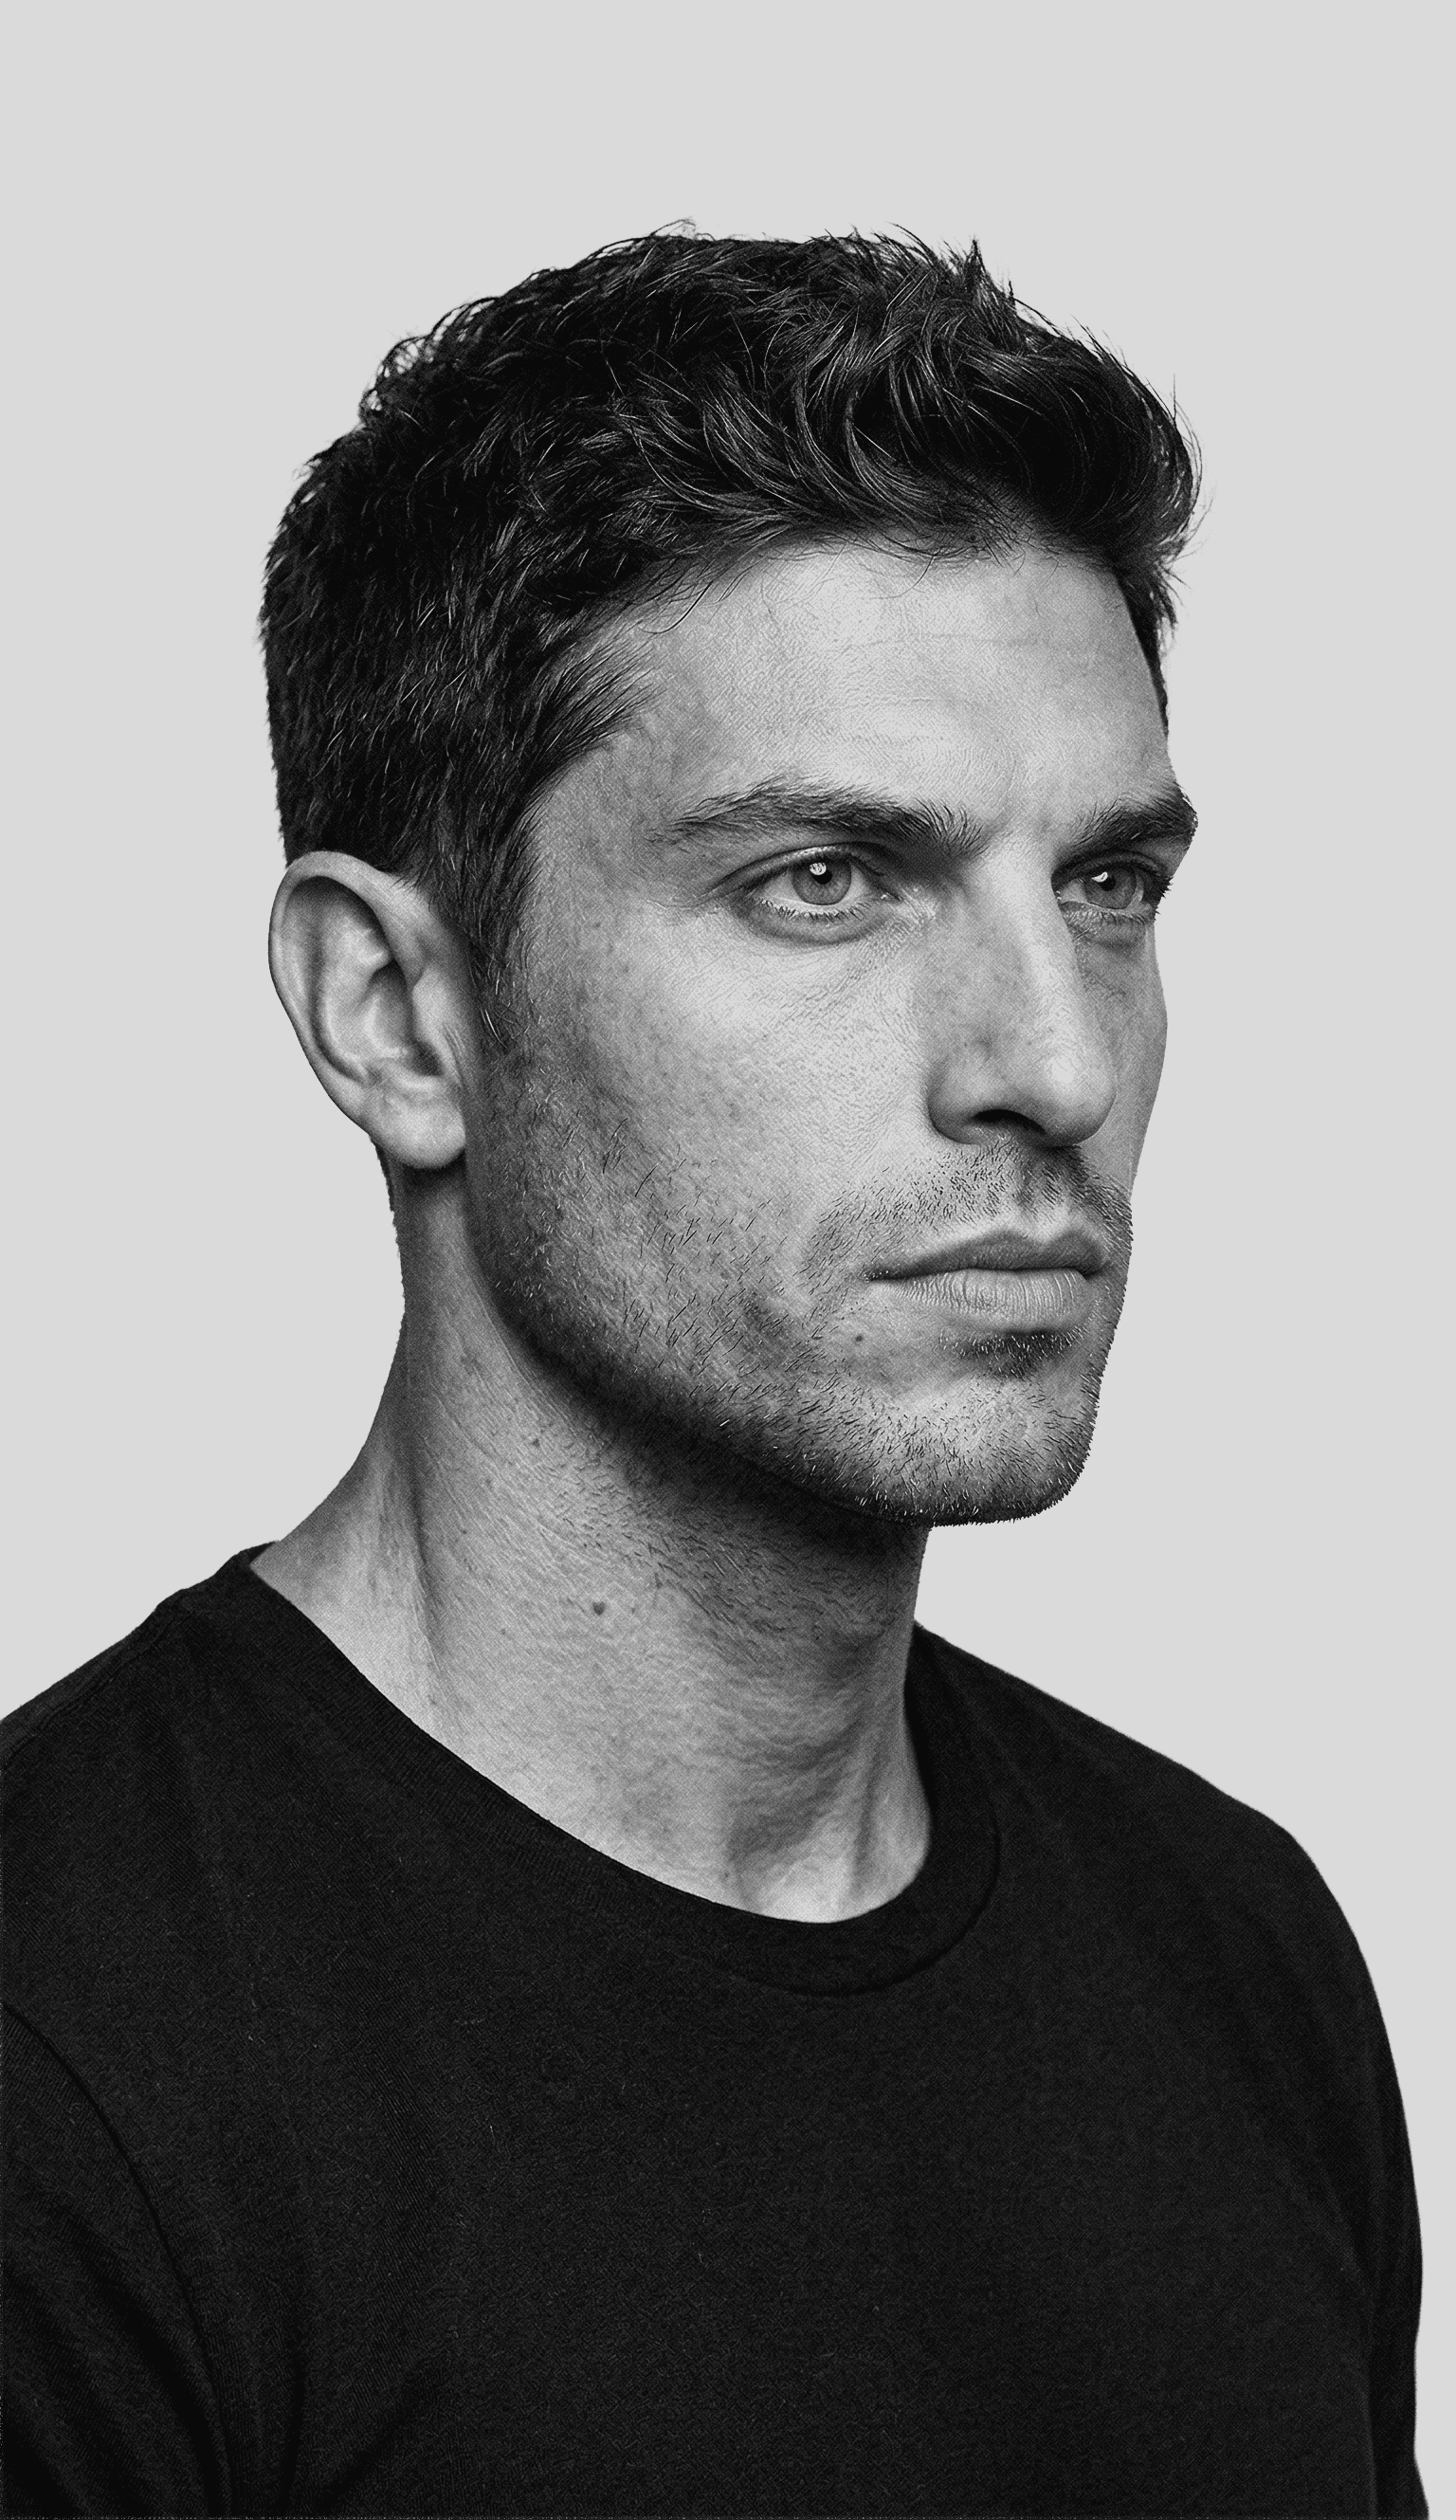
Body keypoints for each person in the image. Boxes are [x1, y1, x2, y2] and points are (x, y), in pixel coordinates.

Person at [2, 232, 1424, 2518]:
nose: (1052, 1062)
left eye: (1108, 888)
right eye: (827, 881)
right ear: (396, 1013)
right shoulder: (66, 2061)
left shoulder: (1235, 1956)